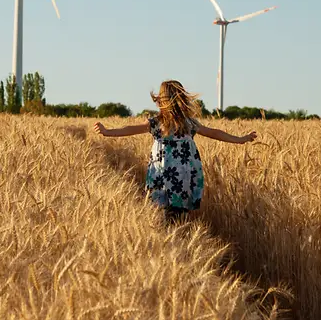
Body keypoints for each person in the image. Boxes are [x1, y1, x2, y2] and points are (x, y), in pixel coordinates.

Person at [93, 79, 256, 221]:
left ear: (161, 101)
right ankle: (178, 240)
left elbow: (129, 129)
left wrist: (108, 132)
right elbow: (213, 133)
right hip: (183, 176)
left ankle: (172, 242)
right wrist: (239, 139)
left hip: (162, 175)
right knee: (178, 214)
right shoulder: (188, 123)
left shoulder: (159, 123)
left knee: (163, 214)